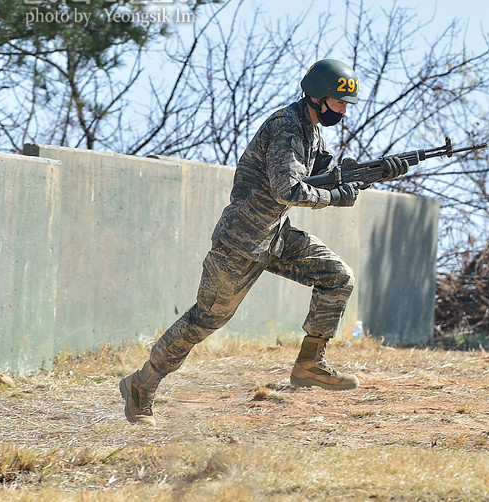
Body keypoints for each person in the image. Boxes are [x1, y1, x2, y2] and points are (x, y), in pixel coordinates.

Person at [119, 59, 408, 425]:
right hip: (240, 241)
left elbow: (328, 176)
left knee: (338, 277)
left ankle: (309, 364)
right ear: (318, 98)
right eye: (339, 102)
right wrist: (338, 196)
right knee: (204, 321)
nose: (344, 110)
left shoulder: (311, 131)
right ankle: (141, 386)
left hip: (274, 236)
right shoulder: (287, 129)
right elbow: (288, 188)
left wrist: (373, 173)